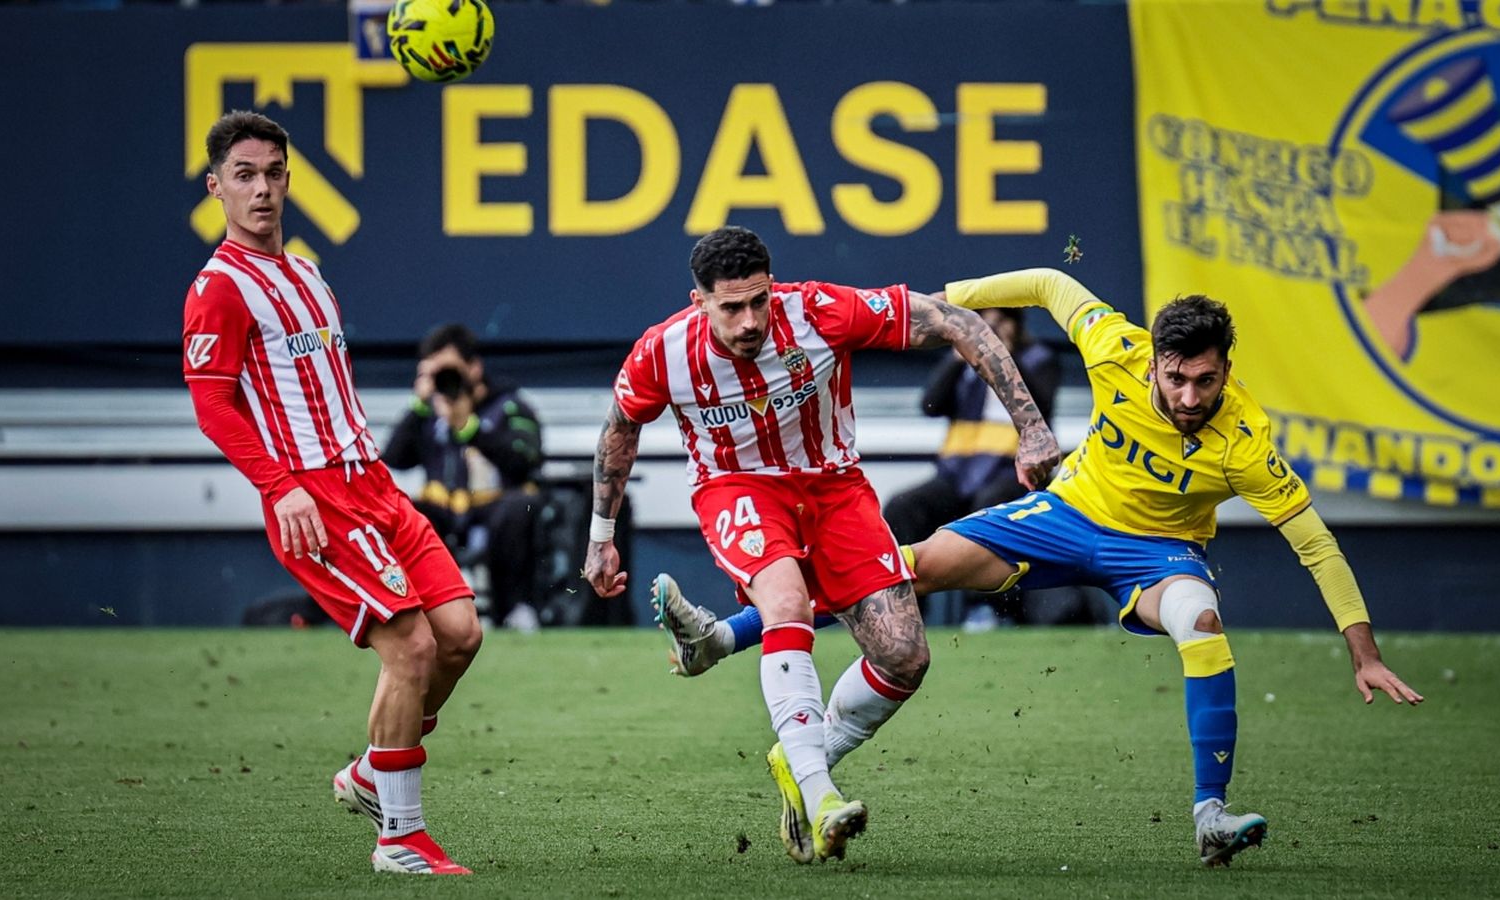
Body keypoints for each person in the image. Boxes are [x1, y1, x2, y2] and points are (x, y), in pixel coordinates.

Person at [653, 266, 1424, 867]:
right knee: (900, 573)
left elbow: (1315, 541)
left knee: (1201, 621)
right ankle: (726, 641)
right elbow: (1052, 285)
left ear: (1227, 371)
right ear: (1154, 359)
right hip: (1061, 518)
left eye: (1206, 381)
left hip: (1155, 556)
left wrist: (1364, 652)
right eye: (1177, 377)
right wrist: (946, 300)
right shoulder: (1115, 347)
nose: (1189, 396)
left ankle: (1209, 818)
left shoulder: (1246, 442)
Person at [582, 226, 1061, 865]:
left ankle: (799, 752)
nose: (750, 321)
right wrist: (601, 536)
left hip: (836, 489)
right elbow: (620, 432)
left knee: (905, 658)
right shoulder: (661, 354)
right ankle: (821, 794)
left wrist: (1030, 429)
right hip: (737, 489)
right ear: (697, 301)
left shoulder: (817, 312)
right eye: (731, 308)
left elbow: (956, 322)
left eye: (759, 301)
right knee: (784, 603)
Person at [181, 111, 478, 875]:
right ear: (216, 187)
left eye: (274, 173)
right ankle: (400, 839)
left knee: (459, 634)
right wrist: (280, 487)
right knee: (409, 648)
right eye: (243, 175)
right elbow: (213, 402)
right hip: (313, 496)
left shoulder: (308, 273)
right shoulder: (218, 289)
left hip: (372, 483)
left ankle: (375, 771)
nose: (262, 189)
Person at [882, 307, 1064, 630]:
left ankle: (985, 609)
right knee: (903, 506)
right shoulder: (963, 362)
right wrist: (957, 356)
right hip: (958, 476)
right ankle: (906, 610)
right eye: (982, 323)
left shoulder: (1039, 359)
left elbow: (1044, 403)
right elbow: (929, 405)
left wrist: (1002, 358)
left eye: (999, 322)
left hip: (1010, 473)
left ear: (1016, 325)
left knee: (988, 509)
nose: (989, 330)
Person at [385, 323, 546, 632]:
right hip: (446, 510)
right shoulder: (430, 412)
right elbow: (394, 458)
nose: (445, 380)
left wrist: (469, 428)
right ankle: (409, 610)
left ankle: (513, 609)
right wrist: (419, 404)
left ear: (473, 367)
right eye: (435, 373)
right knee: (403, 513)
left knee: (518, 508)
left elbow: (526, 460)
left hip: (496, 507)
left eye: (450, 370)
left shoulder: (510, 406)